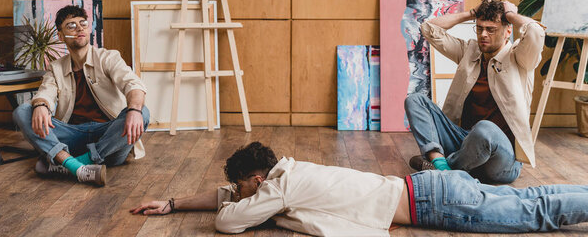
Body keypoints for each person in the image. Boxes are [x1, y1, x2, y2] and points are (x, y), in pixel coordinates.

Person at [130, 141, 588, 236]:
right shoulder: (289, 173)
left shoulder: (278, 190)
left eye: (242, 189)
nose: (240, 196)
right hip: (431, 186)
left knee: (537, 214)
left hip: (433, 201)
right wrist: (173, 204)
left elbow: (227, 222)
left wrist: (250, 204)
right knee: (533, 199)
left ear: (257, 180)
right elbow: (229, 198)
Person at [405, 0, 545, 184]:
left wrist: (510, 14)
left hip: (502, 159)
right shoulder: (469, 51)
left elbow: (535, 32)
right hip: (465, 144)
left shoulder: (520, 57)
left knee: (484, 128)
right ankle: (442, 165)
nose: (483, 35)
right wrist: (471, 13)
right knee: (415, 100)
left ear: (507, 31)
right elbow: (428, 28)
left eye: (491, 29)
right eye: (479, 28)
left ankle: (442, 170)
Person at [12, 5, 150, 186]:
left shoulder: (108, 57)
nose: (79, 28)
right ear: (61, 36)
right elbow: (46, 92)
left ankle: (74, 164)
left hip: (108, 138)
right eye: (71, 25)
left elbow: (133, 84)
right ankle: (72, 163)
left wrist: (133, 110)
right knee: (23, 111)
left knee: (143, 112)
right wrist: (40, 105)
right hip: (73, 136)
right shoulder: (56, 67)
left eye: (83, 23)